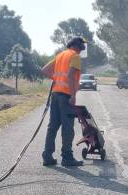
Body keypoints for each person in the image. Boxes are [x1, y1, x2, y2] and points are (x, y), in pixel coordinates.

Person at [40, 36, 88, 167]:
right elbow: (71, 75)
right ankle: (67, 157)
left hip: (55, 94)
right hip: (66, 95)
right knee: (67, 128)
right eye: (83, 45)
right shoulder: (75, 56)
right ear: (78, 45)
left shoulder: (61, 55)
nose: (84, 47)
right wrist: (73, 95)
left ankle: (47, 156)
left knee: (53, 126)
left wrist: (55, 78)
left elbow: (44, 70)